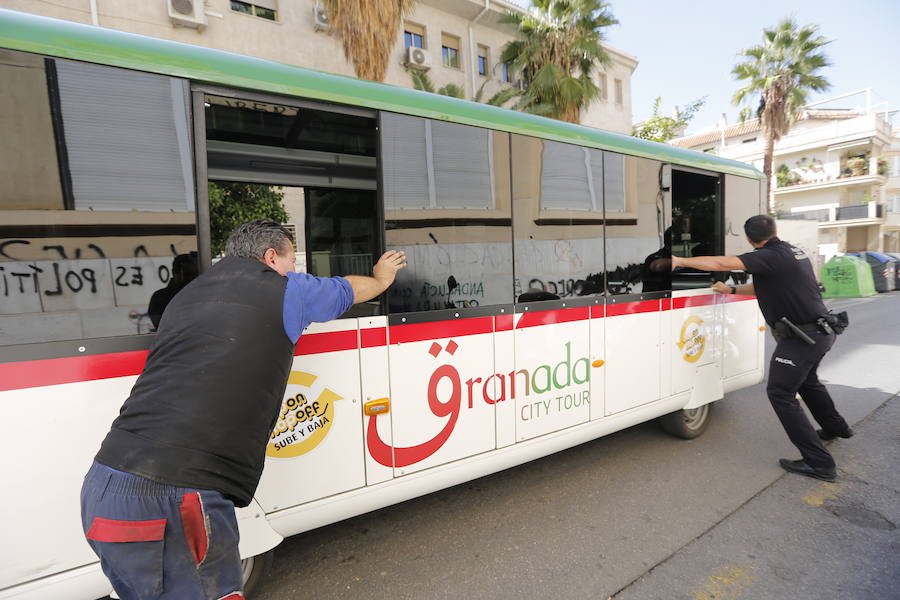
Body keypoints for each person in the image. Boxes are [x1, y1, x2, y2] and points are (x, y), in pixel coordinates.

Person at [80, 220, 406, 600]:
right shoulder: (284, 290)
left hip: (104, 486)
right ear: (271, 256)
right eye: (291, 261)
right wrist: (381, 279)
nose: (294, 271)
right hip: (174, 496)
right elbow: (348, 290)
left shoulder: (184, 296)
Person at [671, 214, 852, 482]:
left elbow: (722, 262)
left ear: (749, 238)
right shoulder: (791, 252)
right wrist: (731, 291)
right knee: (809, 382)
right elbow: (764, 288)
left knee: (780, 393)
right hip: (818, 331)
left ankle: (820, 464)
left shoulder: (770, 255)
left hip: (802, 338)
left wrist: (679, 261)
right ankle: (836, 427)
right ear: (774, 230)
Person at [147, 251, 199, 329]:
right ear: (175, 273)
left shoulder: (201, 294)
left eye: (194, 274)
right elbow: (162, 327)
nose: (191, 279)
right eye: (189, 275)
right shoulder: (160, 297)